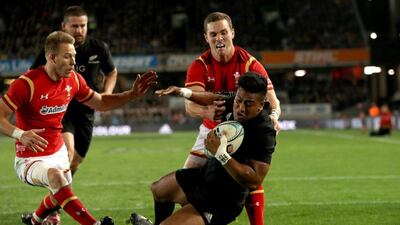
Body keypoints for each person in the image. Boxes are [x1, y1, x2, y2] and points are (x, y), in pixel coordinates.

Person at [0, 31, 157, 225]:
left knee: (59, 195)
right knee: (56, 179)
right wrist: (20, 134)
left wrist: (131, 94)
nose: (73, 62)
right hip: (29, 156)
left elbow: (101, 103)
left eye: (74, 56)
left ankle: (34, 221)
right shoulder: (26, 84)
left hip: (57, 151)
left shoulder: (73, 80)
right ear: (51, 57)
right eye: (67, 56)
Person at [136, 72, 276, 225]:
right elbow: (214, 98)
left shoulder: (264, 131)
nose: (241, 108)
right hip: (205, 177)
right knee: (158, 189)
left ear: (261, 105)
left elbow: (255, 180)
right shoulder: (233, 104)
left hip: (222, 200)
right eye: (239, 100)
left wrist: (221, 154)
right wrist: (182, 91)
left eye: (248, 104)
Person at [182, 12, 281, 225]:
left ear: (232, 33)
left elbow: (274, 101)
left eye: (223, 32)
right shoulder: (200, 65)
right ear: (206, 37)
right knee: (185, 180)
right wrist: (205, 112)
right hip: (211, 130)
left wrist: (273, 117)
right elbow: (190, 105)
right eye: (213, 34)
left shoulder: (249, 64)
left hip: (245, 131)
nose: (219, 38)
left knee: (249, 172)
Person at [31, 6, 118, 223]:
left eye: (83, 25)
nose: (79, 30)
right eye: (74, 26)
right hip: (63, 110)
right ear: (64, 26)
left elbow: (111, 72)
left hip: (88, 111)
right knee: (67, 154)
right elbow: (33, 76)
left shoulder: (99, 47)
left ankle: (49, 207)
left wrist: (106, 95)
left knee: (75, 163)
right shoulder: (52, 49)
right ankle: (54, 212)